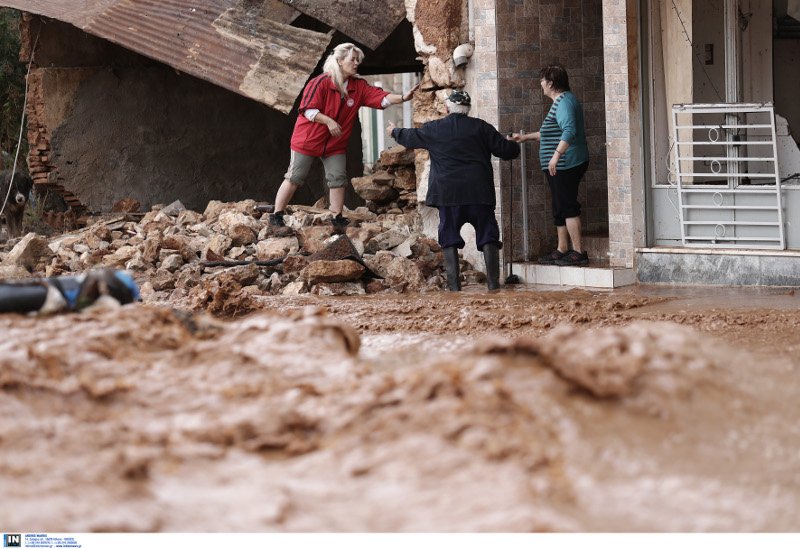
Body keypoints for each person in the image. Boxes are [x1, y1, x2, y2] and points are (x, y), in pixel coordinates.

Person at [269, 43, 418, 232]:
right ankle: (276, 216)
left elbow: (381, 98)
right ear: (339, 61)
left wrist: (403, 97)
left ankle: (337, 218)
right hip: (308, 140)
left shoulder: (359, 86)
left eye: (358, 60)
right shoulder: (320, 83)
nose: (356, 63)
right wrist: (329, 121)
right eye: (352, 60)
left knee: (338, 179)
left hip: (335, 143)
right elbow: (308, 110)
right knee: (295, 177)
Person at [387, 90, 520, 291]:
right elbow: (507, 151)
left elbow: (410, 137)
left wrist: (393, 131)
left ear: (448, 108)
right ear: (468, 108)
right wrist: (513, 142)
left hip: (448, 196)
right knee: (488, 235)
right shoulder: (482, 128)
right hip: (479, 194)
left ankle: (454, 288)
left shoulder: (434, 128)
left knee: (449, 237)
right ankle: (494, 286)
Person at [511, 63, 590, 266]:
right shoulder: (560, 101)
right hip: (559, 164)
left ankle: (578, 252)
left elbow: (569, 132)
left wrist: (555, 156)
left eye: (543, 80)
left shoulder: (564, 102)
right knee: (559, 206)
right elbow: (549, 134)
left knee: (567, 205)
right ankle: (562, 248)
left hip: (566, 163)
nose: (541, 84)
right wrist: (525, 137)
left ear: (551, 82)